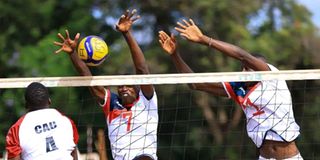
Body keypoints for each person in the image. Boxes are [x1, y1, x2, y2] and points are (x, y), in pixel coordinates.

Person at [158, 19, 302, 159]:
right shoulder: (239, 88)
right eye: (243, 69)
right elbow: (195, 84)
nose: (245, 72)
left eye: (250, 68)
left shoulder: (272, 77)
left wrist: (204, 39)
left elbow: (242, 56)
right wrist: (175, 55)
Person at [54, 9, 158, 160]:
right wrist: (73, 54)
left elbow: (142, 69)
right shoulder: (112, 105)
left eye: (128, 85)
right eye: (120, 86)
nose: (123, 88)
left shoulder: (146, 100)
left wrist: (126, 33)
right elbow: (88, 79)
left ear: (138, 87)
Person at [5, 82, 79, 160]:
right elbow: (73, 153)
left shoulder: (16, 129)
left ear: (26, 105)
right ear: (49, 101)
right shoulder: (66, 121)